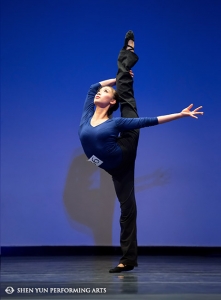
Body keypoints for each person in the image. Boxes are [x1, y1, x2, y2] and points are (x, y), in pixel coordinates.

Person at [78, 31, 203, 273]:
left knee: (129, 102)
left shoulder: (115, 123)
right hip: (115, 169)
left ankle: (128, 53)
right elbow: (93, 86)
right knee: (128, 211)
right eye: (100, 93)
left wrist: (180, 114)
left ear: (111, 103)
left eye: (104, 94)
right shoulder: (87, 114)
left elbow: (150, 121)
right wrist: (115, 80)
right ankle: (129, 260)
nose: (98, 94)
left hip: (125, 148)